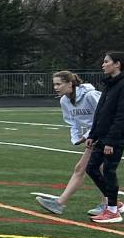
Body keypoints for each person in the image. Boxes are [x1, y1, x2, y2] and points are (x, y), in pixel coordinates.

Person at [36, 71, 102, 216]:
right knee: (96, 169)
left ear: (70, 83)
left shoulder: (90, 95)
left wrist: (88, 136)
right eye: (54, 84)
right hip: (93, 136)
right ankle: (112, 203)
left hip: (105, 133)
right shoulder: (64, 101)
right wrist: (77, 139)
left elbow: (104, 116)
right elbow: (73, 122)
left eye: (59, 84)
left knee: (82, 168)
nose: (56, 87)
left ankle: (59, 204)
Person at [86, 51, 124, 225]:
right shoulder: (111, 84)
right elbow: (101, 112)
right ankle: (114, 202)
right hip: (104, 135)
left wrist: (111, 141)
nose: (103, 65)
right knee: (92, 168)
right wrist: (93, 134)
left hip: (116, 137)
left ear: (117, 64)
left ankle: (112, 211)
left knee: (109, 170)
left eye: (106, 62)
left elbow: (123, 117)